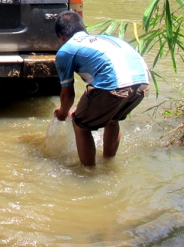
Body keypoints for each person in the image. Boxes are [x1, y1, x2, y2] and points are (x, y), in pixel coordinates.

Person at [53, 11, 150, 167]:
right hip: (142, 82)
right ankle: (109, 163)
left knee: (79, 124)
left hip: (114, 84)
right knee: (112, 119)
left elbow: (68, 96)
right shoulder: (105, 39)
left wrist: (63, 113)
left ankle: (89, 175)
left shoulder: (66, 50)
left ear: (61, 36)